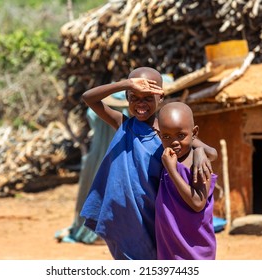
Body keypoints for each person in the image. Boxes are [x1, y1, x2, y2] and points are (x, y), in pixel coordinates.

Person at [80, 67, 217, 260]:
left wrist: (200, 151)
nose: (140, 104)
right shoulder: (123, 124)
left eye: (147, 98)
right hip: (123, 217)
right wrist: (126, 84)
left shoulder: (167, 133)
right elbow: (88, 98)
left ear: (160, 97)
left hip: (153, 216)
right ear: (127, 98)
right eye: (134, 97)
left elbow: (211, 152)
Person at [55, 92, 128, 244]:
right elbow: (88, 98)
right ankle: (99, 232)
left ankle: (99, 232)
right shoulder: (121, 115)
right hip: (110, 154)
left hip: (100, 155)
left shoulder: (121, 114)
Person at [156, 101, 217, 260]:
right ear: (159, 135)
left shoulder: (199, 164)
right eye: (167, 136)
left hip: (195, 248)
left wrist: (171, 169)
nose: (174, 142)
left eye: (181, 135)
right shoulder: (170, 157)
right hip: (170, 244)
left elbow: (198, 203)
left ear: (194, 132)